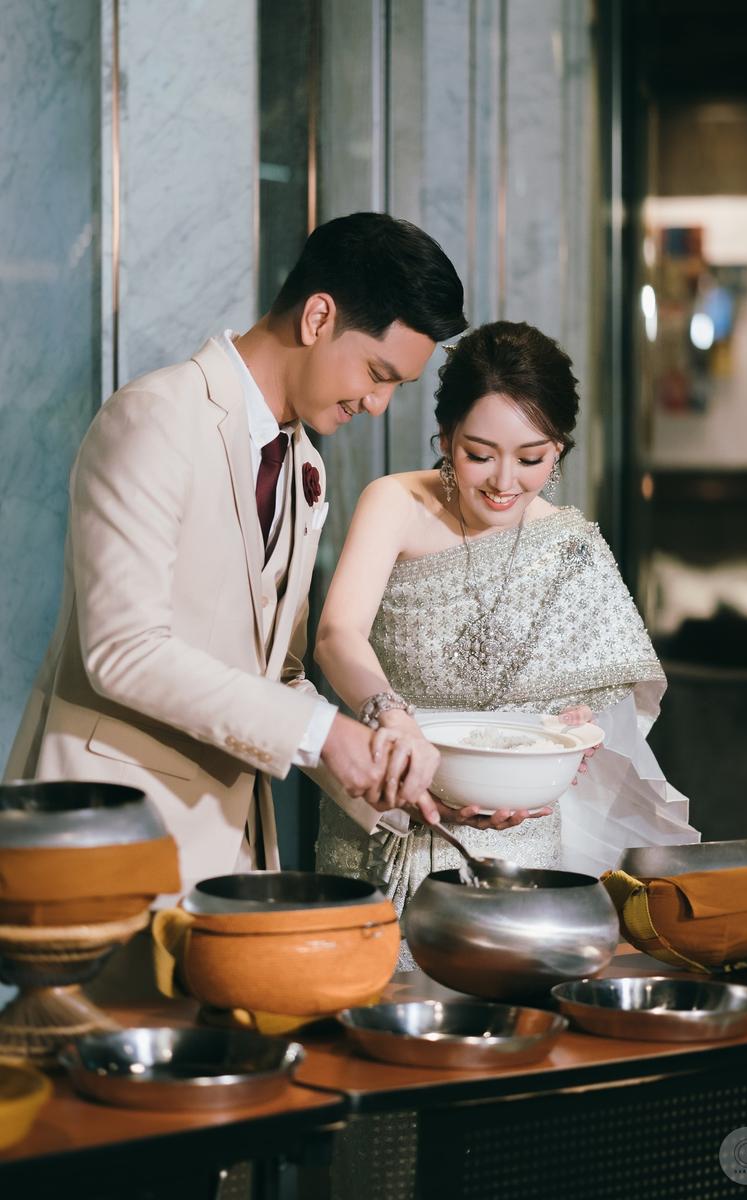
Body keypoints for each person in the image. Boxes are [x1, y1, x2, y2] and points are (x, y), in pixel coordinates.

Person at [4, 212, 467, 898]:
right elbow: (123, 650)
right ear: (317, 317)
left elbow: (277, 676)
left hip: (227, 858)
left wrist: (389, 782)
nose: (377, 404)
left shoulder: (305, 468)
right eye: (378, 374)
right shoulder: (156, 415)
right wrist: (323, 733)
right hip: (103, 838)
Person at [315, 320, 699, 937]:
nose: (503, 482)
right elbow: (337, 635)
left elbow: (601, 702)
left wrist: (575, 726)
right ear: (445, 437)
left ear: (559, 451)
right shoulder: (395, 504)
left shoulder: (568, 543)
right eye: (478, 454)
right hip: (385, 822)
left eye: (530, 459)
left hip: (519, 842)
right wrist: (391, 717)